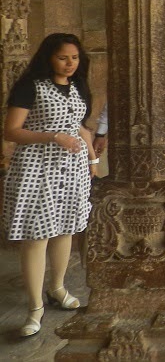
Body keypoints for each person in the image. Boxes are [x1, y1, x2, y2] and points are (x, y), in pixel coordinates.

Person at [3, 33, 98, 337]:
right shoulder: (29, 87)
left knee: (66, 229)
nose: (70, 63)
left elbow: (80, 127)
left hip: (72, 169)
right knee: (36, 236)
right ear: (48, 57)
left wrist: (92, 159)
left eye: (75, 57)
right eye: (62, 57)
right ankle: (34, 308)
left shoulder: (77, 86)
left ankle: (57, 287)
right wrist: (52, 136)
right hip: (36, 168)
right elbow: (12, 131)